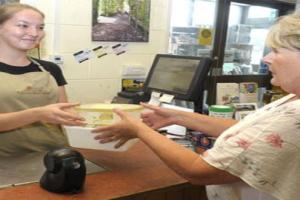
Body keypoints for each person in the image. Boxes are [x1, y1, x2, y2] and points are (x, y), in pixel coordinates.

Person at [93, 11, 300, 200]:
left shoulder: (295, 116)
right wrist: (177, 117)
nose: (266, 58)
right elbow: (249, 131)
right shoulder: (292, 98)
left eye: (276, 50)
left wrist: (138, 130)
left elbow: (197, 170)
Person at [0, 3, 85, 157]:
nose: (34, 33)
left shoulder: (50, 69)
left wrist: (101, 116)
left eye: (40, 27)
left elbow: (64, 113)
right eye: (23, 25)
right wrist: (38, 114)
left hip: (55, 155)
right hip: (6, 162)